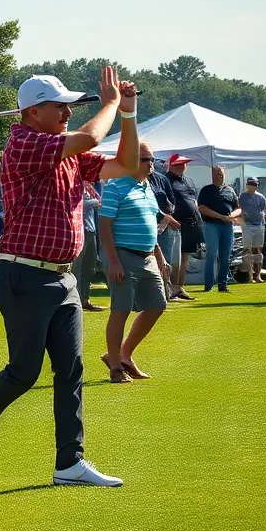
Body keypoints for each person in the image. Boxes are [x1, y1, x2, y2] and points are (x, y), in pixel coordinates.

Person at [0, 68, 139, 489]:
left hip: (62, 278)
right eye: (60, 105)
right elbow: (90, 138)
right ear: (33, 112)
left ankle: (69, 462)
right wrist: (108, 103)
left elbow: (125, 163)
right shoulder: (23, 143)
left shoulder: (64, 150)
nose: (69, 110)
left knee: (71, 370)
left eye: (71, 105)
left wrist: (127, 113)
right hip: (23, 273)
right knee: (23, 371)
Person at [98, 141, 168, 383]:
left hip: (147, 255)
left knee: (157, 305)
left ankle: (123, 355)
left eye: (152, 160)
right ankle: (116, 367)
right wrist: (114, 261)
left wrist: (159, 255)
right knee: (121, 309)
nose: (151, 165)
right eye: (146, 160)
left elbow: (150, 223)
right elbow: (105, 225)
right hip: (123, 255)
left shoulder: (147, 186)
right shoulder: (115, 186)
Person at [164, 153, 202, 301]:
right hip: (173, 224)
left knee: (184, 258)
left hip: (190, 224)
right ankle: (169, 288)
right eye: (179, 164)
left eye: (184, 163)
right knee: (172, 259)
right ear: (171, 165)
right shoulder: (166, 180)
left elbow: (194, 199)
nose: (183, 166)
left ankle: (179, 287)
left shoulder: (188, 181)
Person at [197, 166, 240, 293]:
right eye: (216, 173)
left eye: (221, 173)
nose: (219, 176)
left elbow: (238, 208)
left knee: (225, 256)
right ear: (212, 175)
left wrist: (231, 215)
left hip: (227, 226)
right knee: (212, 254)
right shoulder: (206, 190)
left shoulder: (230, 190)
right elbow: (202, 208)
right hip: (211, 225)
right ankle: (209, 284)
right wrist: (220, 216)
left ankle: (223, 284)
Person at [148, 159, 181, 295]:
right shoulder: (134, 178)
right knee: (149, 260)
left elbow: (171, 202)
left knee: (164, 260)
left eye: (151, 160)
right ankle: (152, 293)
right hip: (146, 226)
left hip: (164, 227)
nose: (149, 163)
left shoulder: (162, 179)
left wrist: (165, 220)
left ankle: (165, 292)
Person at [76, 182, 104, 311]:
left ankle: (85, 300)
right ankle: (75, 300)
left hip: (91, 230)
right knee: (77, 268)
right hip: (79, 230)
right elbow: (78, 204)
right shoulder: (75, 185)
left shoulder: (89, 187)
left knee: (89, 267)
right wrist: (95, 202)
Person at [238, 177, 266, 283]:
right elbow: (239, 209)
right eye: (251, 184)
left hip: (258, 225)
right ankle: (249, 276)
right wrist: (242, 222)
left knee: (257, 250)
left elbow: (263, 210)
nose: (253, 186)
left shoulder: (261, 197)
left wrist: (262, 223)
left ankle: (258, 275)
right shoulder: (242, 196)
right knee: (247, 250)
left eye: (255, 184)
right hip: (247, 225)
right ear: (247, 185)